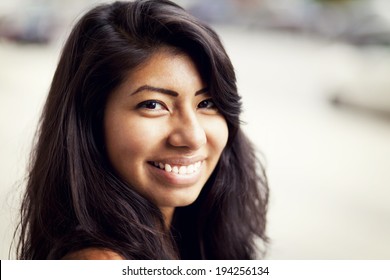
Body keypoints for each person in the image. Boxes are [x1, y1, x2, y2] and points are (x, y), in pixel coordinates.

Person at [15, 0, 269, 260]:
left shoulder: (188, 236)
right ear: (91, 120)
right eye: (153, 105)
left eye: (207, 103)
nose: (193, 137)